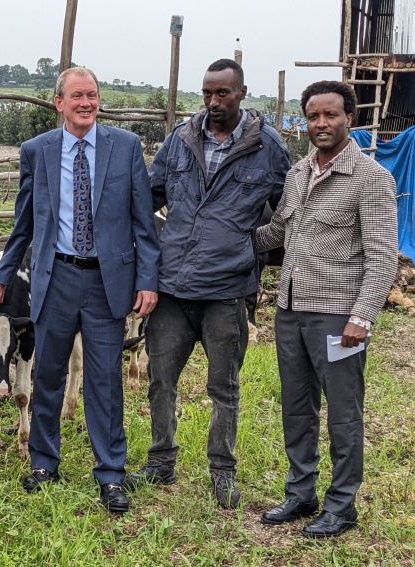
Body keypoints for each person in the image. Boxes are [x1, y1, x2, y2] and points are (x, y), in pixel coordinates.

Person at [0, 66, 160, 513]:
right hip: (56, 278)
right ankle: (44, 462)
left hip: (108, 281)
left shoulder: (125, 147)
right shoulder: (37, 151)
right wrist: (3, 273)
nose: (86, 103)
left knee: (105, 380)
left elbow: (144, 222)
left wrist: (147, 279)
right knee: (48, 374)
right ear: (58, 102)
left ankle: (110, 474)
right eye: (77, 96)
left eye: (93, 95)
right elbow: (23, 222)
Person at [125, 59, 291, 508]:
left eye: (223, 93)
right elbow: (147, 196)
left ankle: (222, 470)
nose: (214, 102)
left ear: (241, 93)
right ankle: (160, 461)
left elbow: (287, 211)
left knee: (224, 386)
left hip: (226, 291)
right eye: (207, 94)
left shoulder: (268, 147)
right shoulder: (180, 140)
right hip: (173, 287)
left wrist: (249, 250)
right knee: (161, 381)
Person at [257, 80, 397, 537]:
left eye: (330, 115)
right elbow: (276, 231)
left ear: (348, 120)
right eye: (313, 116)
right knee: (297, 408)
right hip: (291, 309)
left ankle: (342, 505)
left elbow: (382, 257)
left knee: (342, 411)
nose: (321, 123)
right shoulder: (298, 173)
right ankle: (301, 493)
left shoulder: (372, 179)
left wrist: (362, 317)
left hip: (338, 317)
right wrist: (223, 236)